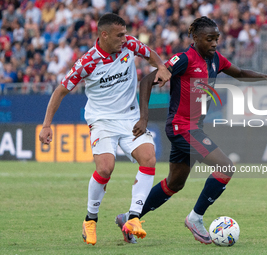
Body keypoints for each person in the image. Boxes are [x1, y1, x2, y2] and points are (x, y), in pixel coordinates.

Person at [118, 16, 267, 244]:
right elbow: (147, 81)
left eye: (217, 38)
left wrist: (266, 76)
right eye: (210, 39)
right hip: (182, 128)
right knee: (226, 167)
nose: (215, 43)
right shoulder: (184, 59)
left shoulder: (216, 59)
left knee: (174, 183)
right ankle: (195, 218)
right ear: (195, 38)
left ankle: (129, 219)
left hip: (192, 128)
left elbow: (239, 73)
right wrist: (144, 118)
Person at [39, 13, 171, 246]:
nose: (125, 38)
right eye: (119, 35)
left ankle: (133, 219)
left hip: (129, 118)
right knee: (105, 167)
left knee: (149, 158)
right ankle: (90, 220)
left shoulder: (129, 44)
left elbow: (149, 53)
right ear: (104, 34)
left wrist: (160, 66)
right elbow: (60, 90)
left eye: (125, 33)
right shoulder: (87, 62)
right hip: (102, 120)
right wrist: (47, 125)